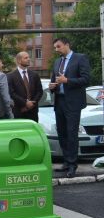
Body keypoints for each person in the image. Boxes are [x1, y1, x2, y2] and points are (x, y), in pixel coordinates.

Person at [48, 37, 91, 178]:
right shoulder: (57, 62)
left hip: (72, 102)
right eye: (55, 47)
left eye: (58, 46)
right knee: (62, 133)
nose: (56, 50)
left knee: (71, 133)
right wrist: (52, 86)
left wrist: (67, 80)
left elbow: (86, 79)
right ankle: (66, 162)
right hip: (59, 101)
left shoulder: (80, 58)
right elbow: (54, 80)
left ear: (67, 45)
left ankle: (73, 165)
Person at [7, 51, 43, 122]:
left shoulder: (34, 75)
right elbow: (11, 93)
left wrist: (32, 103)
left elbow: (39, 91)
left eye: (29, 57)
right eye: (26, 58)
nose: (29, 59)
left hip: (33, 112)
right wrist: (25, 103)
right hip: (19, 111)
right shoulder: (10, 76)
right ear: (19, 60)